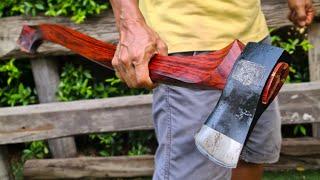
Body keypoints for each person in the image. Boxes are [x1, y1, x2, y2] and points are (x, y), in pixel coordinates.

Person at [109, 0, 315, 180]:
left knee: (250, 154)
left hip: (252, 37)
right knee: (195, 171)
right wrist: (131, 24)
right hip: (186, 49)